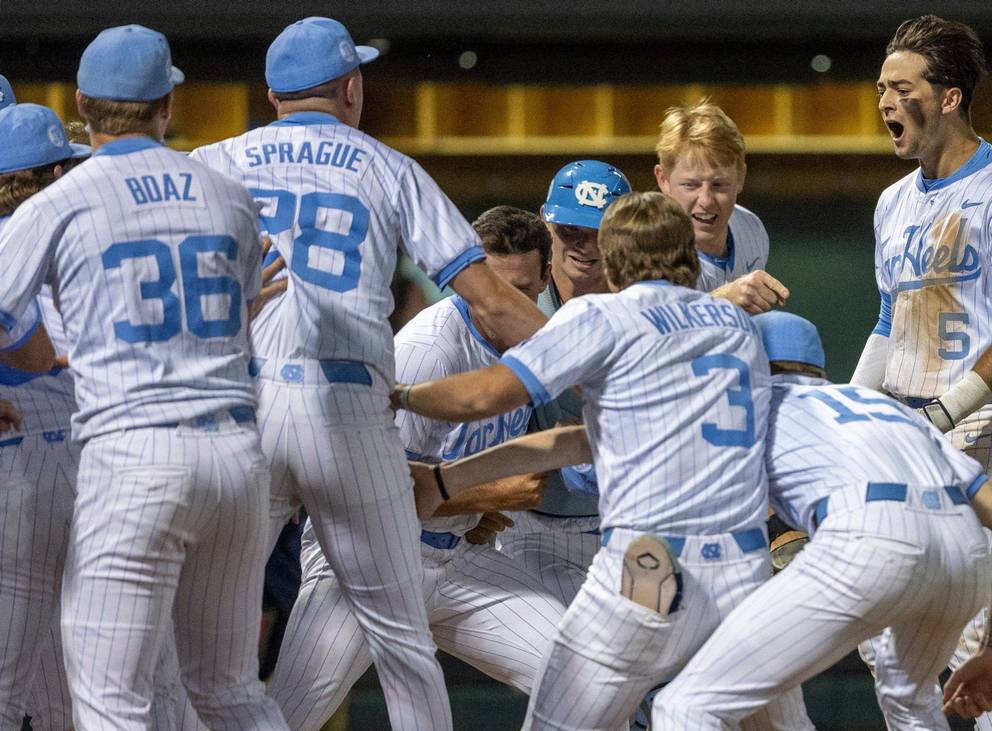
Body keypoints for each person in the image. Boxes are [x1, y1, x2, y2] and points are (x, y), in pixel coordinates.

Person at [188, 16, 547, 730]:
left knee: (207, 630)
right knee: (403, 643)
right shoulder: (388, 167)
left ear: (271, 95)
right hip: (348, 410)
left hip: (246, 407)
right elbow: (488, 300)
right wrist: (601, 344)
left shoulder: (213, 160)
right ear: (353, 88)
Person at [393, 191, 812, 730]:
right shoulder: (737, 330)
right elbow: (589, 438)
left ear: (614, 261)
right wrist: (451, 481)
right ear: (689, 257)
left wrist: (401, 396)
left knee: (562, 719)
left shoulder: (603, 315)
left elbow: (483, 397)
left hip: (651, 563)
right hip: (743, 569)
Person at [0, 25, 288, 729]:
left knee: (105, 699)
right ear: (166, 102)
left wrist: (35, 356)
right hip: (235, 457)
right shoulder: (225, 190)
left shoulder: (61, 203)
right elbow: (238, 305)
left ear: (81, 103)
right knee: (227, 690)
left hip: (128, 456)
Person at [651, 312, 992, 729]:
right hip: (962, 555)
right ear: (818, 367)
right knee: (909, 696)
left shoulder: (752, 407)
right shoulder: (886, 409)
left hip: (866, 539)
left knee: (686, 705)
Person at [267, 206, 567, 730]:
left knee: (581, 673)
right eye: (491, 291)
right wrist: (484, 494)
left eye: (521, 291)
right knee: (286, 719)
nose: (504, 307)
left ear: (547, 277)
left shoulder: (539, 341)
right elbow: (366, 488)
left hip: (454, 563)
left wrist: (478, 506)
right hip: (364, 562)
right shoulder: (427, 350)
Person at [848, 16, 992, 729]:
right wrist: (852, 410)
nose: (883, 101)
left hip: (991, 421)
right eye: (880, 86)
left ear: (948, 98)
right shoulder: (893, 201)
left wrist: (941, 413)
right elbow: (890, 322)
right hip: (916, 423)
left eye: (900, 87)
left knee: (970, 625)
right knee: (884, 622)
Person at [492, 159, 630, 608]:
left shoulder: (647, 301)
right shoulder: (515, 299)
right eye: (572, 230)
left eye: (598, 231)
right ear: (547, 225)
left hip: (625, 528)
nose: (584, 245)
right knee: (556, 659)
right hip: (530, 526)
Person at [0, 102, 88, 731]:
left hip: (35, 460)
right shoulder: (51, 235)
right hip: (46, 459)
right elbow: (36, 353)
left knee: (42, 688)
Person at [654, 99, 789, 314]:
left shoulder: (750, 228)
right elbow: (650, 330)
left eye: (719, 185)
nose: (706, 200)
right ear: (663, 180)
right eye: (691, 185)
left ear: (740, 178)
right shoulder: (643, 249)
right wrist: (722, 300)